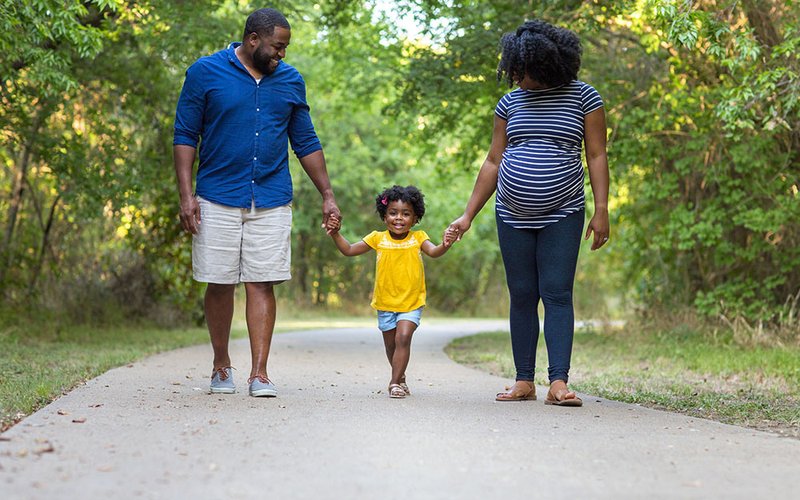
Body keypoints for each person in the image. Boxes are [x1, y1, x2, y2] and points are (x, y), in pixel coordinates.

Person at [173, 8, 339, 398]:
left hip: (271, 196)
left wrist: (327, 195)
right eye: (277, 47)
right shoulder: (205, 72)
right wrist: (186, 196)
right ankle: (220, 366)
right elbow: (185, 135)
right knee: (219, 282)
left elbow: (306, 142)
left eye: (285, 48)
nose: (281, 54)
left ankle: (259, 374)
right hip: (216, 195)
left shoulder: (290, 81)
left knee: (262, 283)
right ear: (253, 40)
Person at [448, 20, 610, 406]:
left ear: (548, 66)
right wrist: (467, 215)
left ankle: (558, 382)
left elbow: (597, 155)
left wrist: (602, 209)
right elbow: (492, 160)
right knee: (521, 294)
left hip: (563, 211)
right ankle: (524, 380)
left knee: (556, 293)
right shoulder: (510, 102)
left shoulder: (584, 98)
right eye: (514, 71)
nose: (517, 79)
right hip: (511, 212)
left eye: (524, 72)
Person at [325, 185, 455, 398]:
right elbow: (348, 250)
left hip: (412, 301)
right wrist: (336, 233)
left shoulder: (418, 238)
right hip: (385, 303)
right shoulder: (377, 238)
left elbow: (435, 251)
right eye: (393, 213)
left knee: (403, 338)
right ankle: (401, 377)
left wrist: (446, 243)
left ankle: (394, 382)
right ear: (384, 217)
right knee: (391, 346)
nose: (399, 218)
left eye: (406, 214)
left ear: (415, 218)